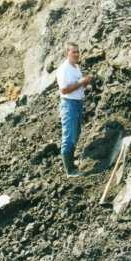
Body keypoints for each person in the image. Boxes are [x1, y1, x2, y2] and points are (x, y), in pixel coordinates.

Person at [57, 42, 92, 177]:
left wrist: (85, 83)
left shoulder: (76, 67)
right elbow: (64, 90)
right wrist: (81, 82)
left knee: (76, 133)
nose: (77, 54)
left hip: (77, 103)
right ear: (67, 53)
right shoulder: (63, 69)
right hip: (69, 104)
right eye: (74, 52)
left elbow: (77, 85)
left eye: (78, 51)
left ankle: (71, 162)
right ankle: (70, 171)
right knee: (69, 136)